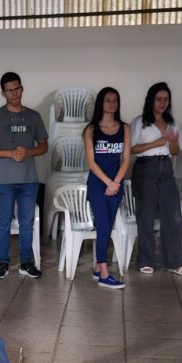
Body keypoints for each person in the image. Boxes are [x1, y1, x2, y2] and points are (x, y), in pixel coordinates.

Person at [0, 72, 48, 279]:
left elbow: (44, 146)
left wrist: (28, 152)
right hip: (4, 180)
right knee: (3, 222)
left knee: (27, 223)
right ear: (3, 93)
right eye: (9, 90)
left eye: (17, 89)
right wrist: (9, 153)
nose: (14, 93)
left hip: (29, 179)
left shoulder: (33, 116)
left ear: (22, 88)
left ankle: (26, 262)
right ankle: (3, 262)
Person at [131, 82, 182, 275]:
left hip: (166, 168)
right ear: (151, 100)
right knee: (146, 215)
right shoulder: (140, 122)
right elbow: (131, 149)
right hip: (146, 167)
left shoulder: (172, 123)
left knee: (174, 216)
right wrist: (156, 143)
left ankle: (174, 261)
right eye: (158, 99)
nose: (162, 102)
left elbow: (175, 152)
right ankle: (146, 260)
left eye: (165, 99)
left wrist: (173, 143)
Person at [83, 87, 130, 289]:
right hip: (97, 184)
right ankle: (103, 273)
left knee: (108, 226)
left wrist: (116, 182)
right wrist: (108, 183)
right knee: (102, 224)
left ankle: (97, 266)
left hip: (116, 184)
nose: (112, 104)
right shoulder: (90, 130)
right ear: (100, 103)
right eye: (108, 100)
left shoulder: (125, 128)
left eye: (115, 100)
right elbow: (91, 162)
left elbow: (126, 159)